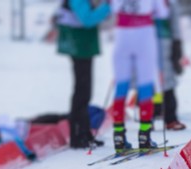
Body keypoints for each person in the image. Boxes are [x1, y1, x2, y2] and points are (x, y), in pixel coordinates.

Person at [110, 0, 170, 152]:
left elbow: (110, 8)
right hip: (144, 34)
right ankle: (144, 136)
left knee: (121, 86)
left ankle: (118, 136)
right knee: (145, 85)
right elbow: (163, 13)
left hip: (122, 35)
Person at [56, 0, 110, 149]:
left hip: (82, 44)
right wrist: (107, 7)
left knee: (85, 90)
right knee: (82, 90)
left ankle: (84, 133)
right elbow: (87, 19)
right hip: (78, 43)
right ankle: (77, 136)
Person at [154, 0, 186, 131]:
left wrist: (177, 46)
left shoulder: (170, 3)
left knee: (166, 79)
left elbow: (175, 25)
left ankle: (170, 118)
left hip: (164, 40)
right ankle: (150, 114)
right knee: (146, 79)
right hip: (144, 38)